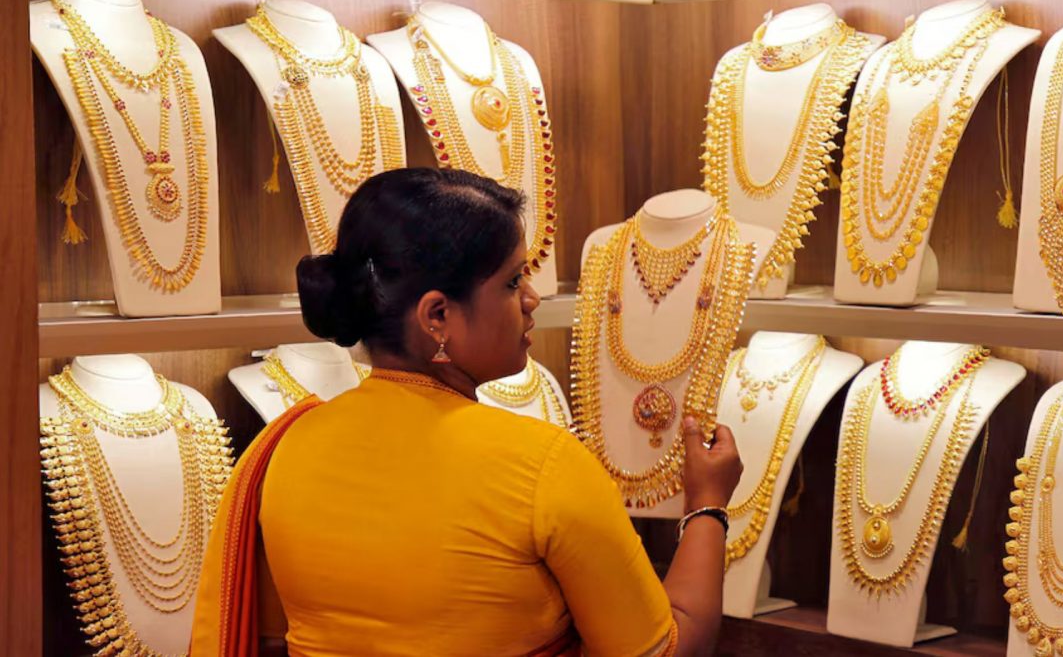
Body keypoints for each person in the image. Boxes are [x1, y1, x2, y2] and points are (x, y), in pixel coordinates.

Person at [190, 168, 743, 657]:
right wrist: (708, 504)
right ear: (437, 315)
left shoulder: (287, 448)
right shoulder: (543, 464)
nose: (531, 298)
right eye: (509, 281)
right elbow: (667, 647)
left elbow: (271, 639)